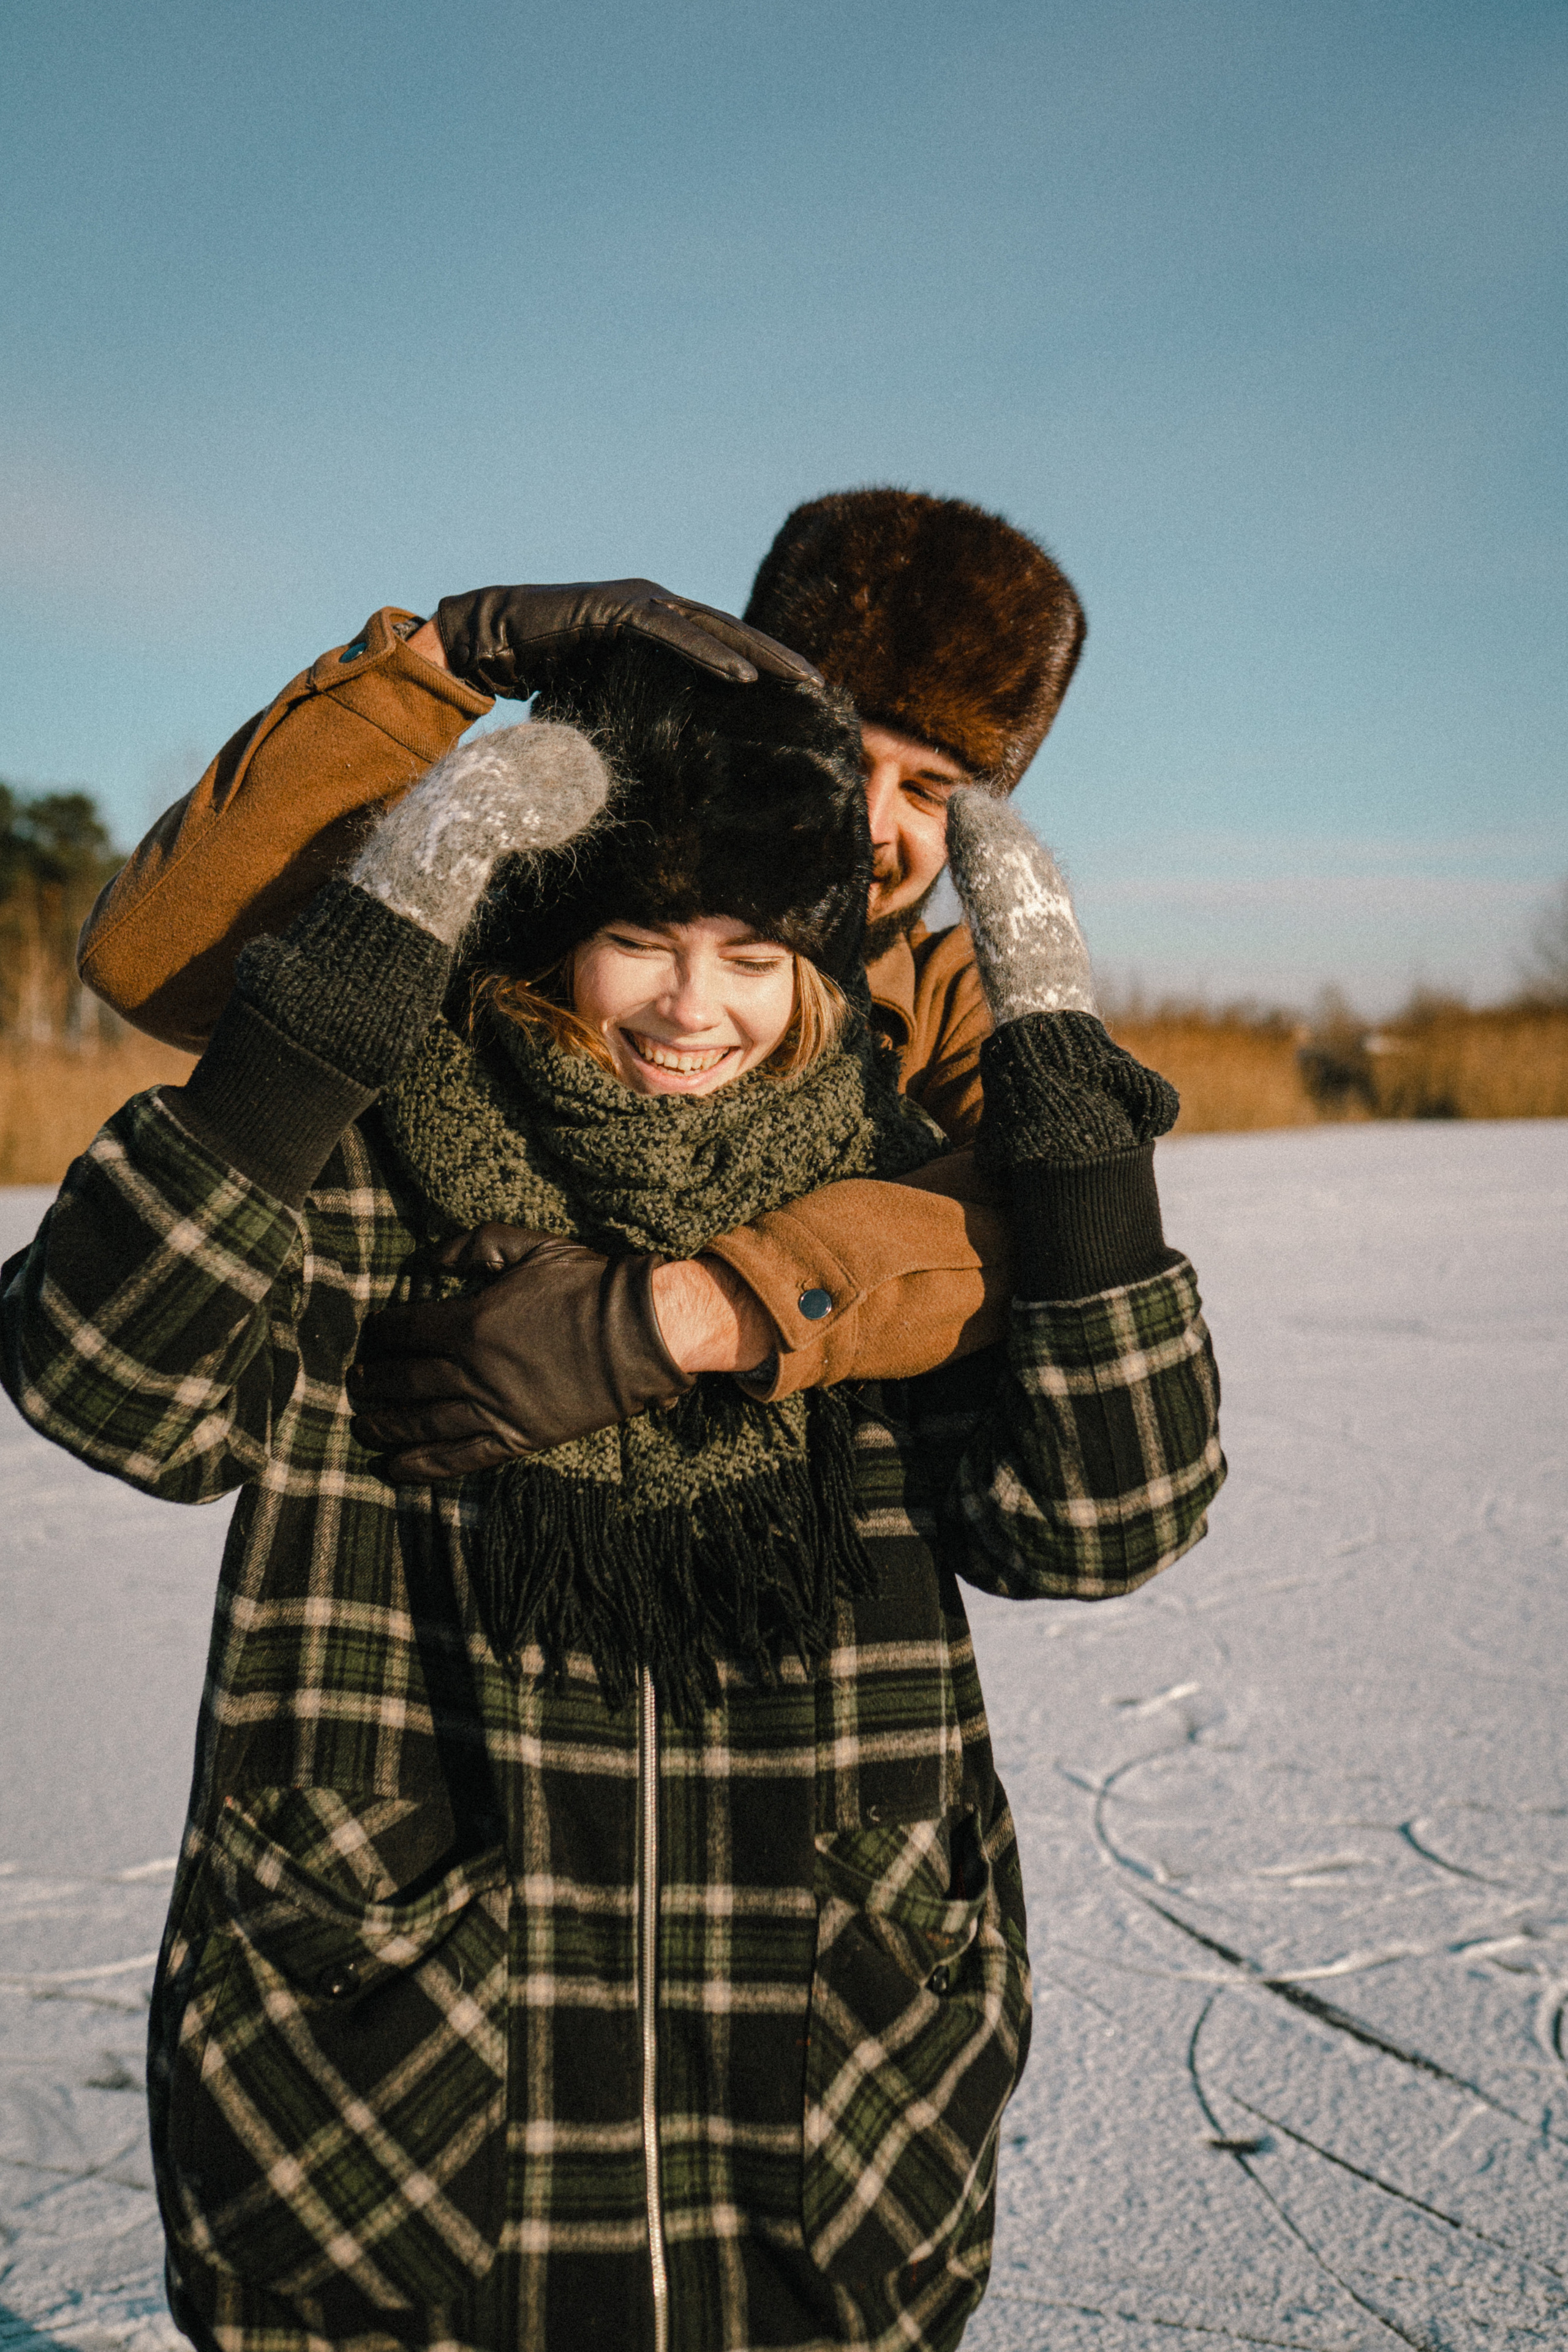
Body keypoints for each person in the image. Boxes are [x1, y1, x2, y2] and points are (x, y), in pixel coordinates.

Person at [4, 644, 1223, 2352]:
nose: (690, 1007)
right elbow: (103, 1381)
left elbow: (1106, 1519)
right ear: (561, 939)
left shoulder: (889, 1223)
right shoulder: (380, 1181)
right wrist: (355, 968)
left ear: (823, 975)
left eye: (756, 953)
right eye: (643, 937)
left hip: (820, 2106)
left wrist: (1068, 1107)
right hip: (388, 2111)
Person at [75, 491, 1087, 1406]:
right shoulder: (543, 907)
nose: (869, 824)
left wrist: (688, 1312)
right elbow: (157, 969)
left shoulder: (957, 996)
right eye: (849, 761)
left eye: (927, 793)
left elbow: (1055, 1230)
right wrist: (441, 664)